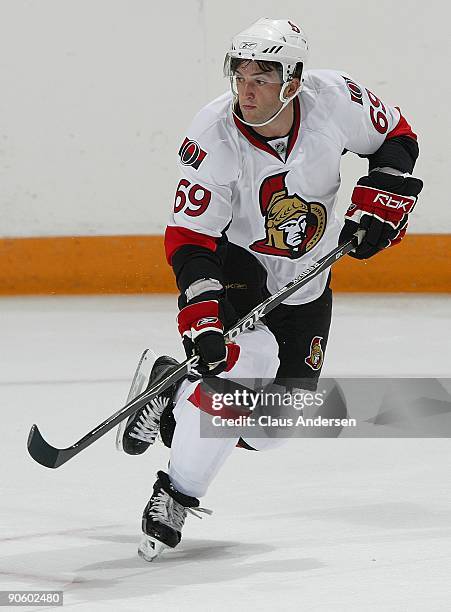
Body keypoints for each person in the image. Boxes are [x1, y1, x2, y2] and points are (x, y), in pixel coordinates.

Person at [121, 17, 423, 560]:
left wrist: (381, 201)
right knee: (245, 364)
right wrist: (203, 314)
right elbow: (190, 239)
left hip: (309, 283)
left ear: (293, 80)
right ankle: (176, 495)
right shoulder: (212, 134)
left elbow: (396, 139)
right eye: (240, 74)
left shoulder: (335, 99)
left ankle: (173, 395)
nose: (246, 89)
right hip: (241, 268)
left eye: (262, 77)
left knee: (273, 431)